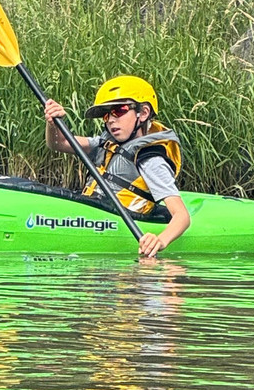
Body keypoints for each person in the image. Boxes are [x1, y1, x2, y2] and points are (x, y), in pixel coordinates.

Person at [44, 75, 190, 257]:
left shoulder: (150, 160)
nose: (111, 120)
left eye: (119, 111)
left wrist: (160, 241)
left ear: (144, 113)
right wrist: (53, 123)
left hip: (121, 219)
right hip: (95, 209)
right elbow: (59, 143)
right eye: (107, 115)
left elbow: (182, 216)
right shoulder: (108, 143)